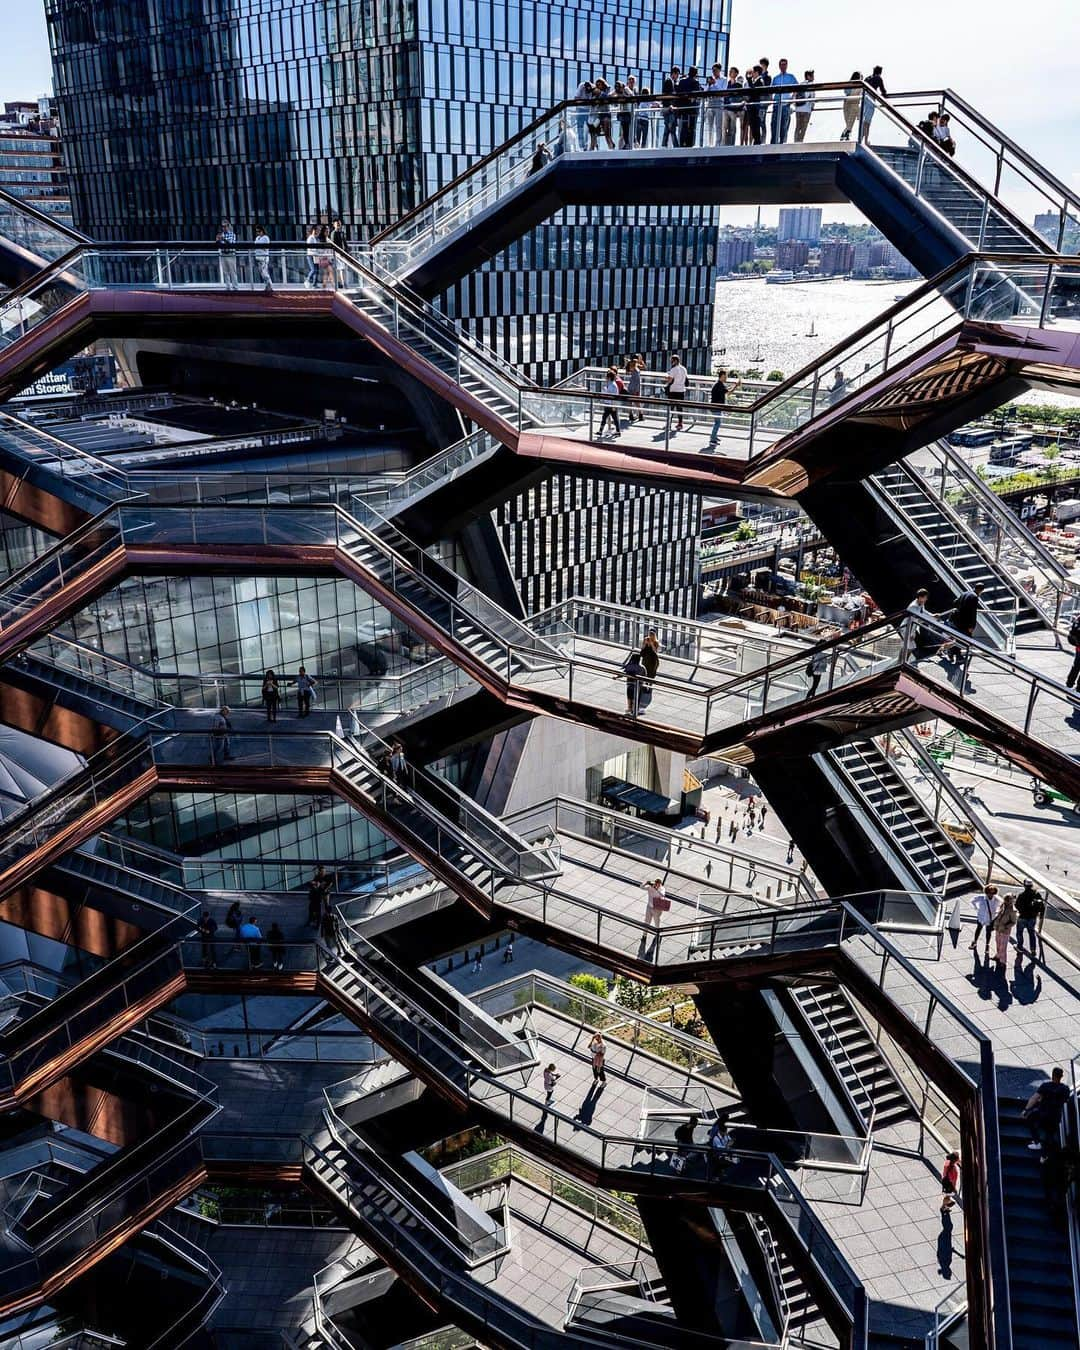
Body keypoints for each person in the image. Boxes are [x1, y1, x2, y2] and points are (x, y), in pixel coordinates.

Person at [1024, 1067, 1070, 1154]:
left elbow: (1035, 1098)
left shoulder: (1046, 1086)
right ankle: (1045, 1156)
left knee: (1030, 1118)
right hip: (1055, 1117)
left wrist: (1026, 1109)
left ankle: (1037, 1142)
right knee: (1050, 1135)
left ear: (1052, 1076)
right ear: (1061, 1076)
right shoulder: (1065, 1089)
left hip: (1043, 1114)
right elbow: (1065, 1100)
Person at [708, 368, 740, 446]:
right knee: (717, 423)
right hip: (716, 407)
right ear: (722, 376)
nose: (726, 378)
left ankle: (714, 436)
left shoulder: (719, 384)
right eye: (725, 376)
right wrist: (735, 386)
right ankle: (712, 438)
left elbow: (726, 390)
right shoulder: (719, 385)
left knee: (717, 422)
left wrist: (734, 385)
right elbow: (728, 392)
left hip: (716, 407)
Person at [770, 57, 798, 144]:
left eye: (785, 64)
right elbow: (770, 90)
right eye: (781, 64)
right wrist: (771, 100)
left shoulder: (791, 77)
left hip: (786, 105)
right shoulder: (775, 78)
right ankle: (773, 144)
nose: (783, 66)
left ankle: (782, 143)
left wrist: (792, 99)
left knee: (784, 126)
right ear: (779, 66)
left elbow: (797, 88)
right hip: (776, 105)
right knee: (774, 125)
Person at [1015, 880, 1045, 956]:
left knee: (1019, 932)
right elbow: (1042, 905)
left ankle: (1019, 946)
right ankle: (1033, 949)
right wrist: (1040, 914)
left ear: (1024, 885)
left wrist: (1021, 911)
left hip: (1022, 917)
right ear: (1031, 886)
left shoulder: (1022, 895)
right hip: (1032, 918)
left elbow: (1016, 905)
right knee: (1031, 933)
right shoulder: (1036, 894)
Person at [676, 66, 702, 146]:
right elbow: (695, 96)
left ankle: (681, 144)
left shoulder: (681, 81)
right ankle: (690, 144)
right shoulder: (695, 82)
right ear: (695, 73)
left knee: (683, 127)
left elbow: (678, 94)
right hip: (692, 109)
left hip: (683, 108)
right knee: (691, 127)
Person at [970, 884, 998, 954]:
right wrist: (977, 908)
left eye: (992, 893)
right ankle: (975, 941)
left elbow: (1001, 906)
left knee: (988, 933)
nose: (991, 894)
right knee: (978, 929)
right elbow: (972, 901)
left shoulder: (996, 900)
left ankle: (987, 945)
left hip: (990, 919)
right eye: (989, 892)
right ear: (986, 892)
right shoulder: (981, 898)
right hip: (981, 917)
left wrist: (996, 914)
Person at [991, 892, 1018, 966]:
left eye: (1007, 900)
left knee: (1003, 946)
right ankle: (998, 956)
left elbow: (1013, 922)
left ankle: (1003, 961)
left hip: (1005, 930)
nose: (1005, 901)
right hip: (998, 928)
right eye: (1005, 900)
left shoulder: (1012, 910)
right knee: (998, 943)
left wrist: (1006, 927)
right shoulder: (1002, 905)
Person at [704, 64, 728, 145]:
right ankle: (709, 143)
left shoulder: (724, 79)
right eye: (713, 70)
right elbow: (705, 91)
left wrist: (715, 84)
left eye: (715, 70)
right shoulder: (710, 79)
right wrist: (709, 84)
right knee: (709, 125)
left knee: (718, 125)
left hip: (719, 102)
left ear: (719, 70)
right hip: (710, 102)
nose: (713, 72)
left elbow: (723, 91)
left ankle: (717, 143)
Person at [862, 66, 887, 141]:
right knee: (868, 121)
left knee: (864, 120)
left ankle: (862, 138)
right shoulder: (878, 78)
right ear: (880, 72)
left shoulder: (867, 78)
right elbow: (883, 90)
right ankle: (865, 140)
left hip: (864, 99)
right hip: (870, 99)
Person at [665, 354, 688, 432]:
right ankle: (680, 423)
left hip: (673, 391)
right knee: (679, 408)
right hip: (681, 391)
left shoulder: (673, 369)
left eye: (672, 361)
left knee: (670, 408)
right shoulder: (684, 369)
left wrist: (667, 379)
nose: (671, 362)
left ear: (675, 361)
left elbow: (670, 380)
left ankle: (668, 424)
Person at [598, 366, 622, 438]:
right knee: (604, 417)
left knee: (615, 418)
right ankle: (600, 430)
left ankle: (618, 431)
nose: (605, 378)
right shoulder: (609, 384)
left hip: (612, 405)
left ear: (609, 378)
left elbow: (615, 396)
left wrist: (614, 405)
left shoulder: (613, 385)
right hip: (607, 404)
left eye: (606, 377)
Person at [721, 68, 744, 145]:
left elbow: (740, 97)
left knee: (732, 128)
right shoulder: (727, 84)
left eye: (732, 71)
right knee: (724, 128)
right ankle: (723, 144)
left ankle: (732, 144)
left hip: (733, 109)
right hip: (726, 108)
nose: (730, 73)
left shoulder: (739, 85)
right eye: (729, 71)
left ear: (736, 74)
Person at [660, 67, 681, 147]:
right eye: (677, 74)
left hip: (667, 107)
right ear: (674, 73)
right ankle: (675, 146)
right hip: (669, 108)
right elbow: (667, 95)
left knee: (668, 128)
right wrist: (670, 105)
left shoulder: (670, 81)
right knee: (671, 128)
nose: (678, 77)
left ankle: (664, 145)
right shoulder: (669, 81)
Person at [591, 79, 614, 149]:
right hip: (598, 116)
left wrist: (598, 93)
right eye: (596, 85)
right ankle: (591, 148)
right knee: (593, 131)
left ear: (603, 85)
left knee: (607, 133)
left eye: (599, 84)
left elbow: (605, 96)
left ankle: (611, 147)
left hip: (606, 115)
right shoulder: (595, 95)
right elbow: (593, 104)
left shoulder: (605, 93)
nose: (597, 86)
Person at [622, 648, 646, 714]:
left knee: (629, 696)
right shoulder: (642, 667)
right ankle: (635, 710)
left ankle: (629, 708)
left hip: (630, 684)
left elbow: (624, 673)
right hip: (639, 685)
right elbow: (645, 676)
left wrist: (616, 676)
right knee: (637, 697)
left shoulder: (630, 666)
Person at [216, 218, 238, 290]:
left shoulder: (232, 234)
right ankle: (228, 287)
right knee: (226, 272)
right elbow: (218, 245)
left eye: (225, 226)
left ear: (228, 226)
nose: (224, 228)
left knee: (233, 271)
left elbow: (231, 244)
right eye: (223, 226)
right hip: (223, 254)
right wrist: (217, 241)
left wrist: (223, 239)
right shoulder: (221, 235)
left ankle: (235, 287)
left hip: (231, 254)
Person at [793, 71, 815, 142]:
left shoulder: (800, 84)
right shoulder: (811, 85)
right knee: (803, 128)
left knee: (797, 127)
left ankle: (795, 142)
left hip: (798, 109)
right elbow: (812, 98)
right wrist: (812, 107)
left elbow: (794, 96)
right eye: (812, 75)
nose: (813, 77)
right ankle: (800, 143)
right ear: (808, 76)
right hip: (806, 109)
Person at [841, 73, 863, 141]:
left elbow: (846, 92)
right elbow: (846, 92)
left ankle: (845, 134)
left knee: (850, 122)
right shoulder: (858, 85)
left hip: (851, 104)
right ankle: (846, 134)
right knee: (849, 122)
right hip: (851, 104)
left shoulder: (859, 86)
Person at [574, 79, 595, 151]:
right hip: (580, 109)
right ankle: (581, 146)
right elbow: (576, 98)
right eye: (587, 90)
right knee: (580, 128)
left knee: (588, 129)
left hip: (588, 111)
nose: (588, 92)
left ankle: (587, 145)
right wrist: (586, 101)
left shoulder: (593, 88)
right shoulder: (581, 86)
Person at [253, 225, 273, 291]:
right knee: (262, 273)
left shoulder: (265, 238)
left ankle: (270, 285)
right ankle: (267, 286)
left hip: (264, 257)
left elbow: (266, 247)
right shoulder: (257, 238)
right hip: (258, 257)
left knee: (265, 273)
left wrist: (259, 246)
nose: (258, 233)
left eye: (259, 231)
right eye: (257, 232)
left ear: (262, 231)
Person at [624, 356, 643, 423]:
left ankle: (633, 415)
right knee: (635, 402)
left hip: (632, 389)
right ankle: (638, 415)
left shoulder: (635, 371)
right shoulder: (635, 370)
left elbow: (637, 382)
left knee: (633, 402)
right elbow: (637, 381)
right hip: (634, 389)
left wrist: (636, 391)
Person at [1065, 613, 1080, 689]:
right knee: (1076, 666)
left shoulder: (1078, 618)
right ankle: (1078, 687)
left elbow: (1072, 632)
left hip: (1078, 647)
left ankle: (1069, 683)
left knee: (1076, 666)